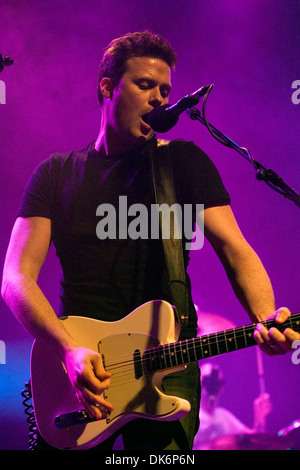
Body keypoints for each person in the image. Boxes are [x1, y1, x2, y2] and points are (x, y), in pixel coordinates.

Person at [1, 30, 299, 451]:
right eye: (145, 85)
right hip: (84, 367)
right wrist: (67, 349)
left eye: (165, 90)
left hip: (171, 358)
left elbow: (236, 250)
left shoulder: (183, 163)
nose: (160, 98)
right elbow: (15, 278)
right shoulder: (57, 173)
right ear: (107, 87)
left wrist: (266, 316)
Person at [193, 363, 272, 450]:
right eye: (208, 382)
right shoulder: (192, 417)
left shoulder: (223, 415)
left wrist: (260, 416)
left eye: (218, 384)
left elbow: (253, 441)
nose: (213, 388)